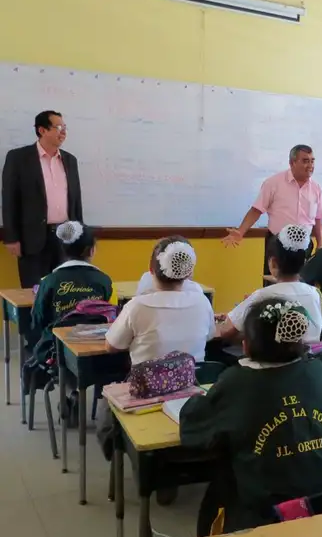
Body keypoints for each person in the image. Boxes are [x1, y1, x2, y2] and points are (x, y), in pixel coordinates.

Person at [179, 298, 322, 537]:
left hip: (266, 508)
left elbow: (193, 428)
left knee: (220, 484)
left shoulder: (237, 382)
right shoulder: (318, 372)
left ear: (246, 345)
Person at [2, 111, 85, 287]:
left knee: (64, 291)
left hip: (65, 237)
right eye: (58, 127)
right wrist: (11, 237)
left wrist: (82, 236)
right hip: (31, 239)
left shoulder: (70, 160)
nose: (63, 132)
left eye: (65, 128)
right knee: (34, 292)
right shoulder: (19, 158)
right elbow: (9, 200)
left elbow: (76, 202)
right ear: (42, 130)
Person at [222, 145, 322, 280]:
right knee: (273, 284)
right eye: (305, 161)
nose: (311, 165)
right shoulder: (274, 183)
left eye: (312, 161)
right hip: (277, 243)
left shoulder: (316, 188)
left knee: (302, 284)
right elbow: (257, 209)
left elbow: (318, 218)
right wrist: (241, 231)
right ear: (292, 162)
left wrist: (320, 244)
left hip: (304, 245)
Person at [105, 236, 215, 363]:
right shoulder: (203, 302)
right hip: (193, 381)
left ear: (150, 270)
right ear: (189, 272)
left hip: (147, 383)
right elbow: (210, 335)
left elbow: (111, 346)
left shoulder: (136, 306)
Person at [27, 221, 115, 375]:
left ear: (63, 250)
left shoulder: (49, 281)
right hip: (96, 354)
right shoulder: (104, 280)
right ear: (92, 251)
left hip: (56, 353)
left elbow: (38, 320)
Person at [219, 224, 322, 343]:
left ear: (273, 263)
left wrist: (239, 314)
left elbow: (225, 332)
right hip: (311, 359)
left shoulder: (262, 296)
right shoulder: (315, 294)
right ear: (304, 263)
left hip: (273, 360)